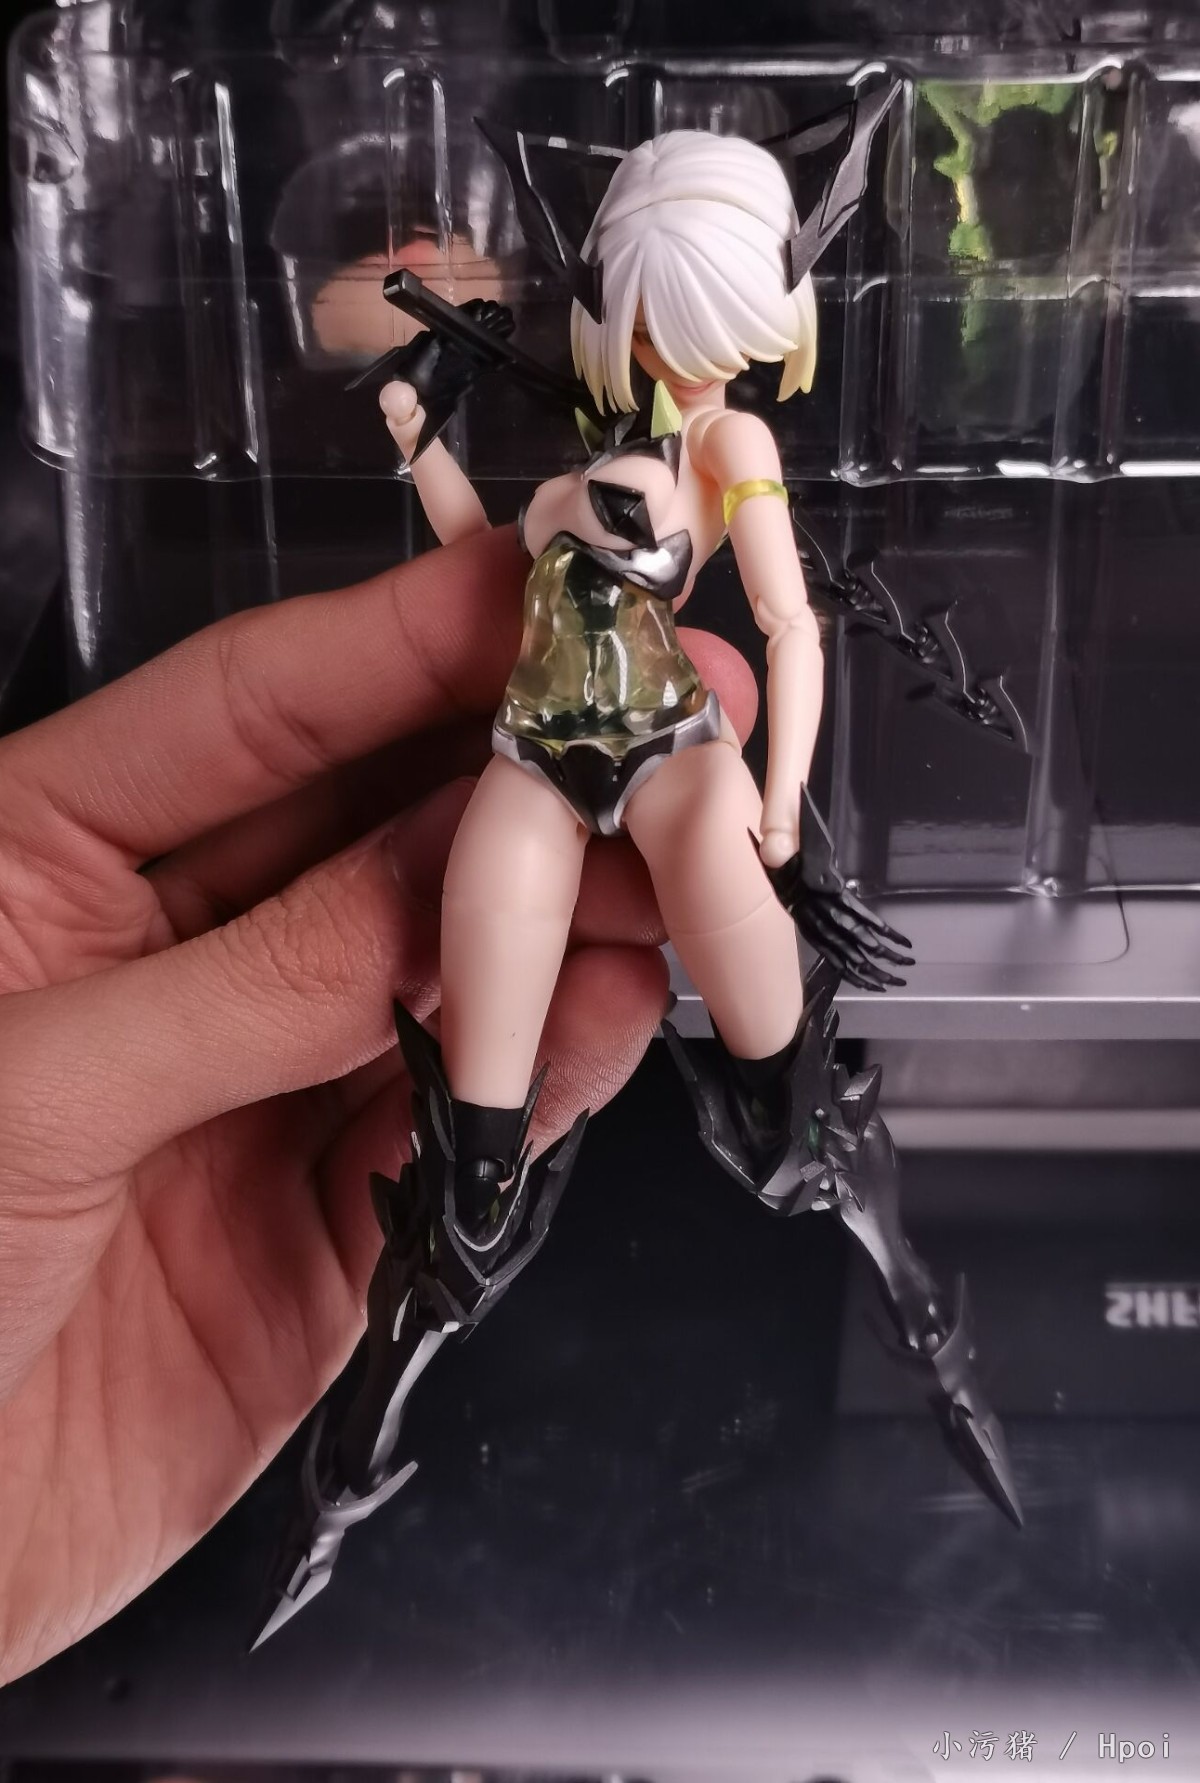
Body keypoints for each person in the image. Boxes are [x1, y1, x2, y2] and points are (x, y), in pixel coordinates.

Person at [0, 523, 757, 1686]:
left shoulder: (685, 484)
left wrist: (779, 807)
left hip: (648, 752)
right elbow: (483, 559)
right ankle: (349, 1464)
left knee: (520, 1135)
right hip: (533, 781)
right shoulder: (578, 515)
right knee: (468, 1187)